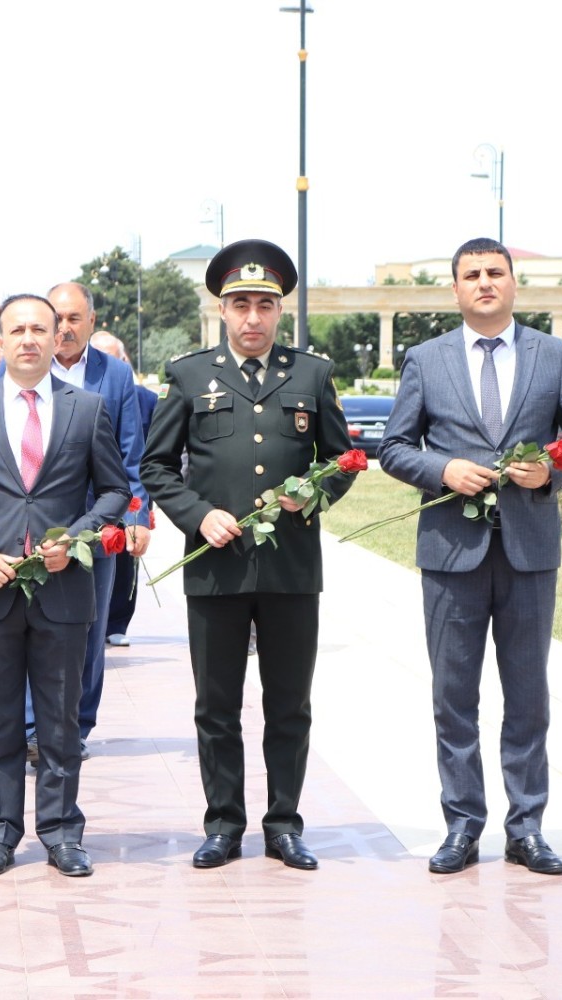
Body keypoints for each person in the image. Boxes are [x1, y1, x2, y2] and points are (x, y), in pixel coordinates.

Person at [378, 237, 562, 877]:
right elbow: (394, 447)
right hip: (451, 553)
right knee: (454, 696)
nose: (484, 282)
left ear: (513, 283)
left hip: (530, 552)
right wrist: (442, 469)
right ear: (455, 289)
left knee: (528, 695)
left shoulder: (553, 356)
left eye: (495, 272)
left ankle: (526, 828)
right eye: (471, 274)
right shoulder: (426, 359)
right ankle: (461, 825)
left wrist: (553, 474)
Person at [140, 239, 354, 872]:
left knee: (290, 704)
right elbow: (155, 465)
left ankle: (285, 823)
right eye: (241, 305)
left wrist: (311, 495)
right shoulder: (189, 375)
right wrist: (197, 514)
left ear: (279, 311)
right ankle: (223, 823)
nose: (253, 318)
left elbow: (341, 460)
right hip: (215, 567)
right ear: (222, 311)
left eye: (265, 304)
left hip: (291, 568)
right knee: (217, 705)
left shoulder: (311, 374)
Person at [0, 294, 129, 878]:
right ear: (0, 340)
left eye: (41, 328)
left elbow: (114, 491)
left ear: (57, 334)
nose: (30, 339)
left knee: (61, 718)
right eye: (17, 329)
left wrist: (81, 538)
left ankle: (63, 831)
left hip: (64, 593)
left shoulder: (86, 408)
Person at [23, 284, 150, 761]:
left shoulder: (114, 375)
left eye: (76, 318)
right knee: (33, 626)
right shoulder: (27, 368)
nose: (67, 327)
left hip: (99, 524)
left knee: (89, 633)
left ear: (92, 322)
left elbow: (132, 451)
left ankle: (76, 728)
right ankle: (35, 729)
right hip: (35, 526)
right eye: (59, 317)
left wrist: (136, 516)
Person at [92, 330, 157, 647]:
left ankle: (117, 621)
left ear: (123, 360)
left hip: (128, 489)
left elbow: (145, 449)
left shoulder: (145, 397)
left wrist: (142, 506)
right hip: (94, 490)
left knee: (123, 559)